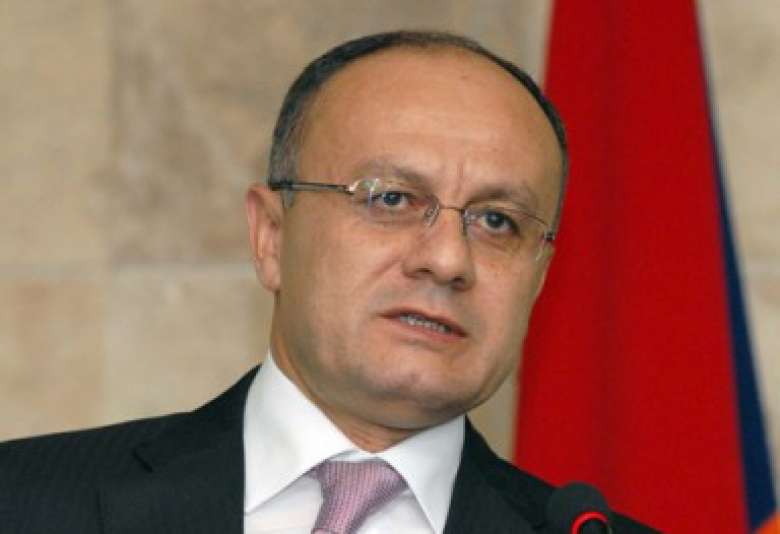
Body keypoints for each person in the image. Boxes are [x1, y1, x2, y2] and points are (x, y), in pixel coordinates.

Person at [0, 31, 655, 533]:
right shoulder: (21, 501)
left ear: (538, 280)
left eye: (496, 221)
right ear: (272, 236)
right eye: (392, 198)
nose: (448, 259)